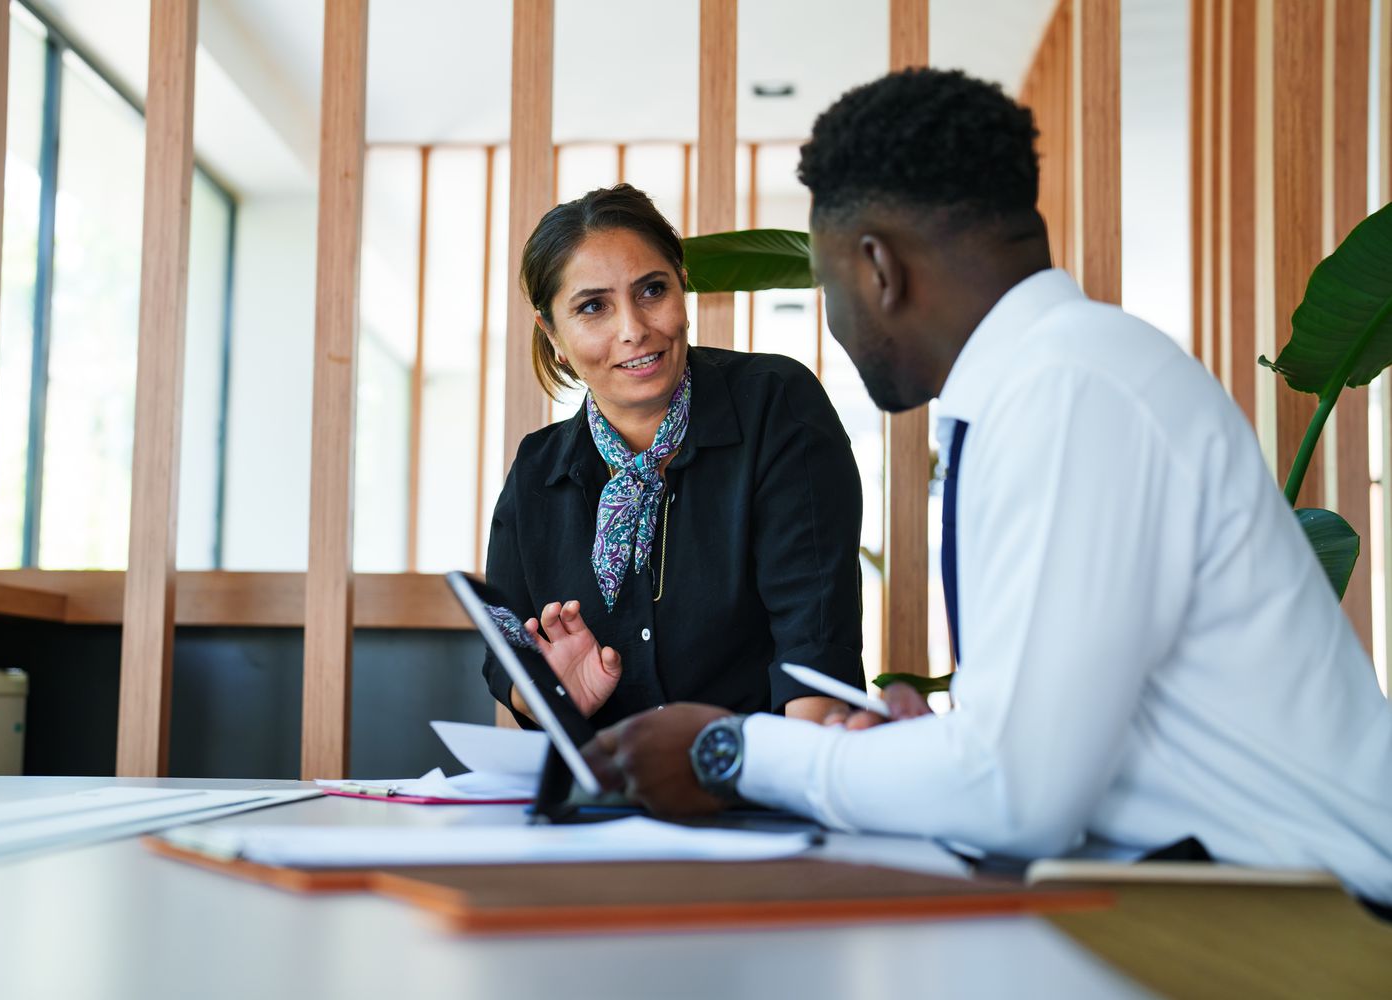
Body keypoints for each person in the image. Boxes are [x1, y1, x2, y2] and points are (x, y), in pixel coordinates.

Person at [578, 69, 1392, 908]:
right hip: (1241, 898)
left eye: (827, 284)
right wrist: (939, 752)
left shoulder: (1071, 393)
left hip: (1327, 924)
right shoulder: (1056, 378)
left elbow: (1017, 798)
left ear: (878, 270)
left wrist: (732, 751)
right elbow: (1048, 755)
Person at [482, 183, 866, 730]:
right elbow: (509, 665)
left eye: (652, 290)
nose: (634, 330)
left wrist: (791, 791)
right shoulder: (537, 472)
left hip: (756, 789)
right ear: (554, 334)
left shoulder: (774, 403)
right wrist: (550, 693)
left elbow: (816, 649)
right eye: (593, 307)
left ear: (682, 288)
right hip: (602, 797)